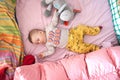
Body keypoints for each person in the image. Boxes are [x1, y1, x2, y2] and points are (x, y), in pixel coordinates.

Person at [28, 10, 102, 58]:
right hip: (71, 44)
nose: (39, 42)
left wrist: (56, 14)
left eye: (38, 39)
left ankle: (95, 30)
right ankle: (95, 48)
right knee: (81, 49)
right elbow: (51, 51)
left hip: (72, 33)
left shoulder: (48, 28)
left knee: (81, 27)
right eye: (37, 43)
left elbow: (54, 22)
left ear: (41, 32)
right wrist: (44, 54)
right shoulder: (48, 44)